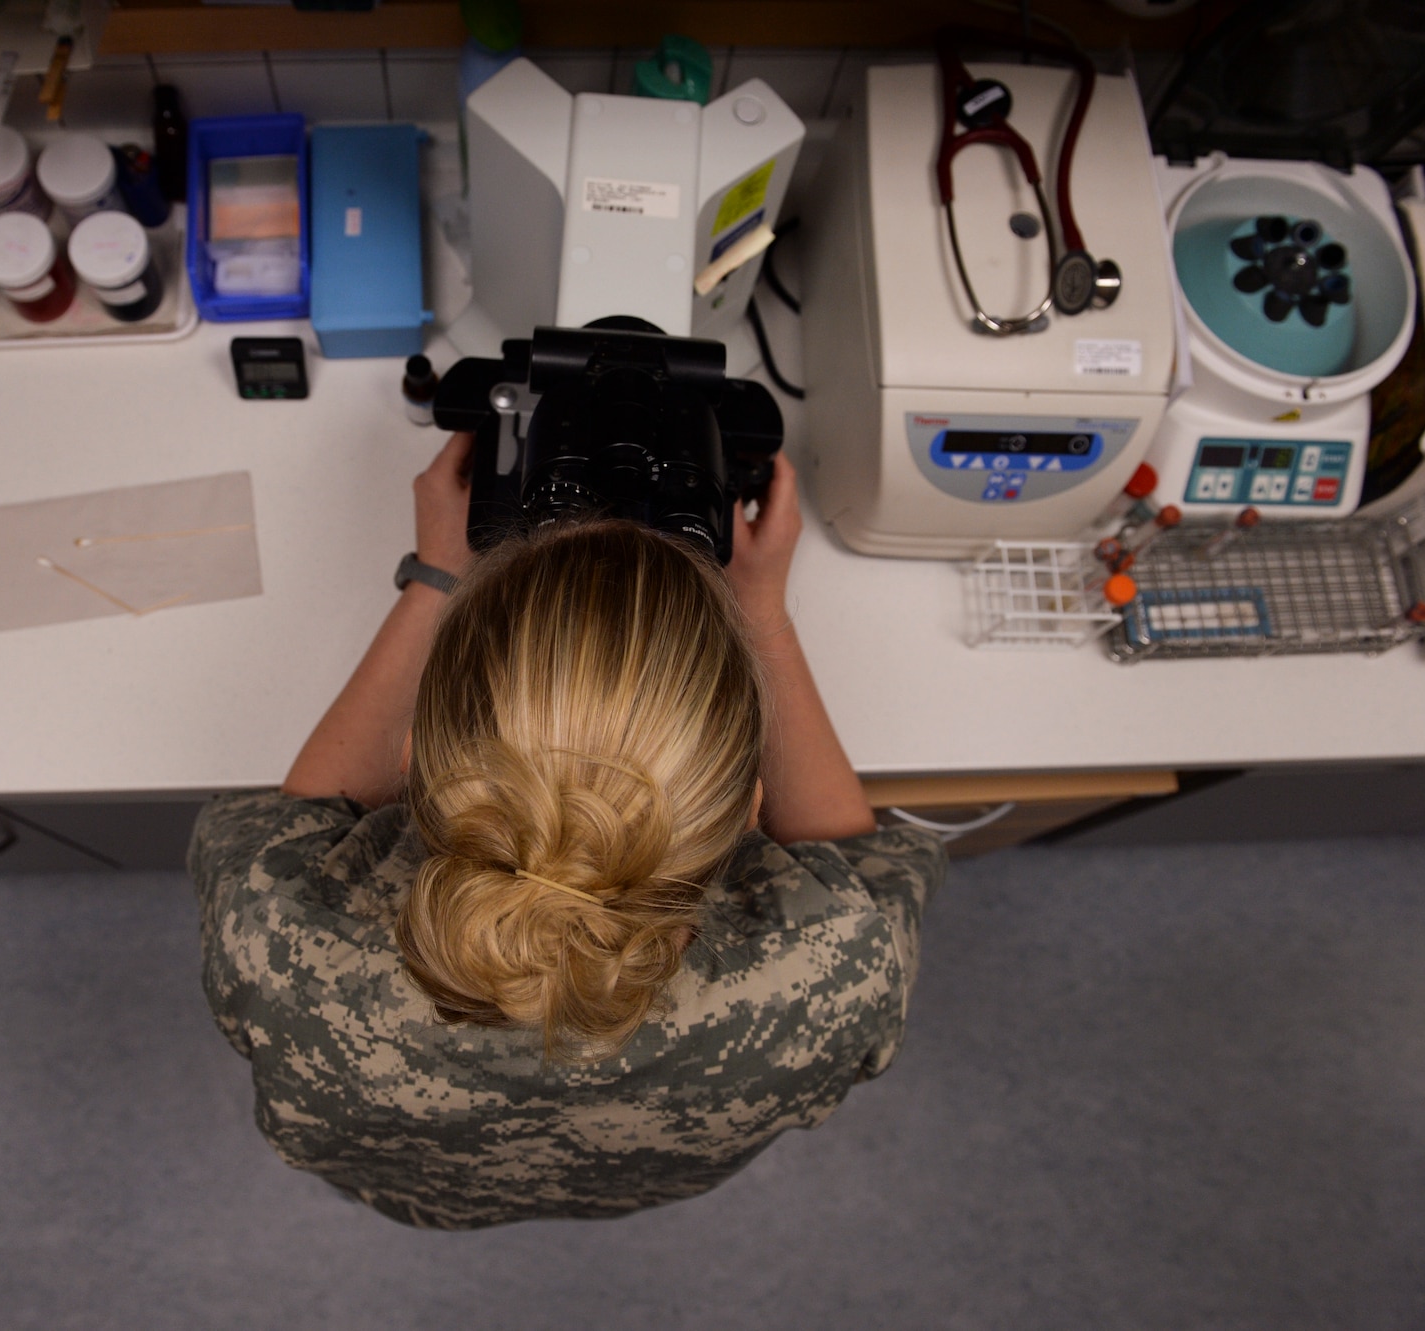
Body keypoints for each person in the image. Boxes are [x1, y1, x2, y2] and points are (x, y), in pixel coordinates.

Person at [190, 431, 945, 1229]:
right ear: (755, 805)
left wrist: (437, 573)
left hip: (424, 1189)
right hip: (645, 1178)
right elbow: (857, 862)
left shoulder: (279, 946)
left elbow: (293, 820)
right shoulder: (837, 971)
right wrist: (760, 610)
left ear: (409, 762)